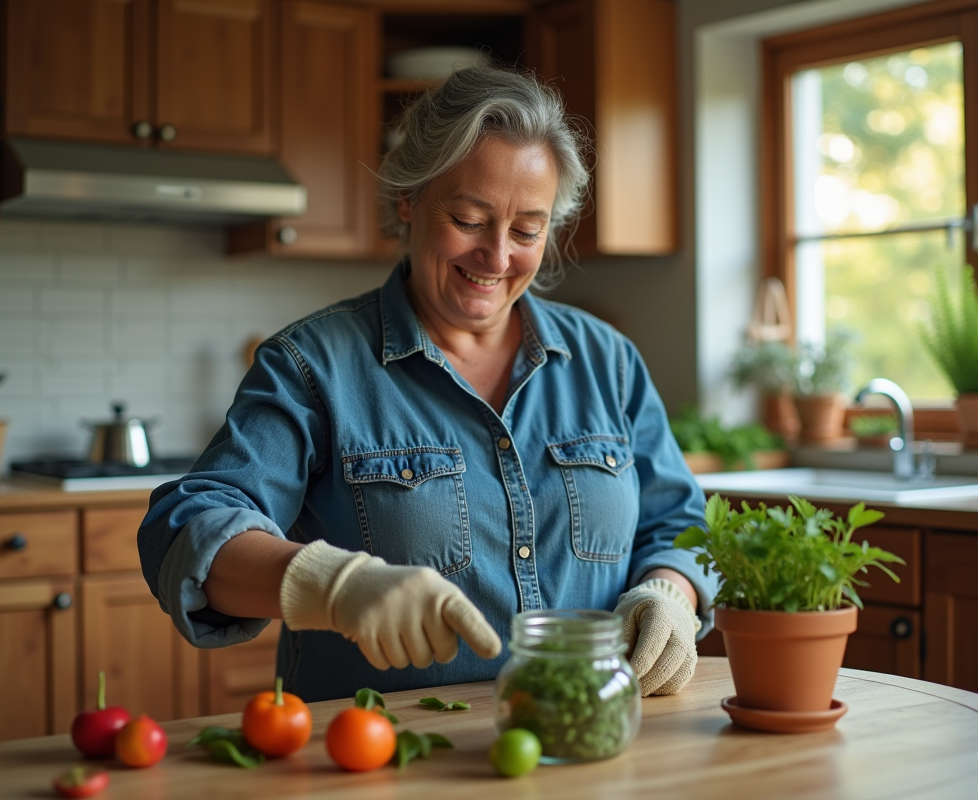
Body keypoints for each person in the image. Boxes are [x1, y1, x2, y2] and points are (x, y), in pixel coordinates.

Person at [137, 63, 718, 703]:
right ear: (408, 200)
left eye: (527, 230)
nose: (497, 257)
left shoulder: (608, 360)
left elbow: (677, 523)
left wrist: (668, 591)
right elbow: (186, 528)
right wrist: (332, 584)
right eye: (469, 220)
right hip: (383, 751)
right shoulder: (312, 366)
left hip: (584, 736)